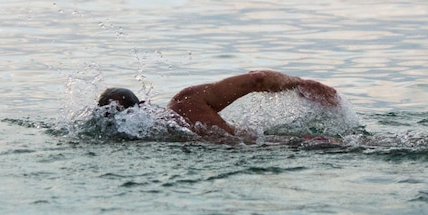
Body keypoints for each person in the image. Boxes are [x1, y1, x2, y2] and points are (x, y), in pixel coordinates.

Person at [97, 70, 339, 137]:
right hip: (262, 148)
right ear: (144, 103)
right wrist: (301, 84)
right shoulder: (186, 104)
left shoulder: (130, 138)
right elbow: (257, 79)